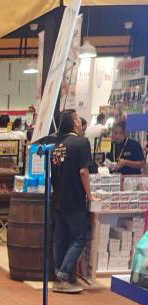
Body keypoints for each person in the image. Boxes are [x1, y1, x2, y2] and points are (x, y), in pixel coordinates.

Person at [51, 109, 94, 295]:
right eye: (77, 118)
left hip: (58, 198)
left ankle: (60, 274)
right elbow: (83, 172)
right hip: (75, 198)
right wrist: (90, 195)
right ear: (74, 122)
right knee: (79, 237)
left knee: (60, 237)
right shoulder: (81, 142)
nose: (79, 121)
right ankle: (63, 277)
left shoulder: (56, 145)